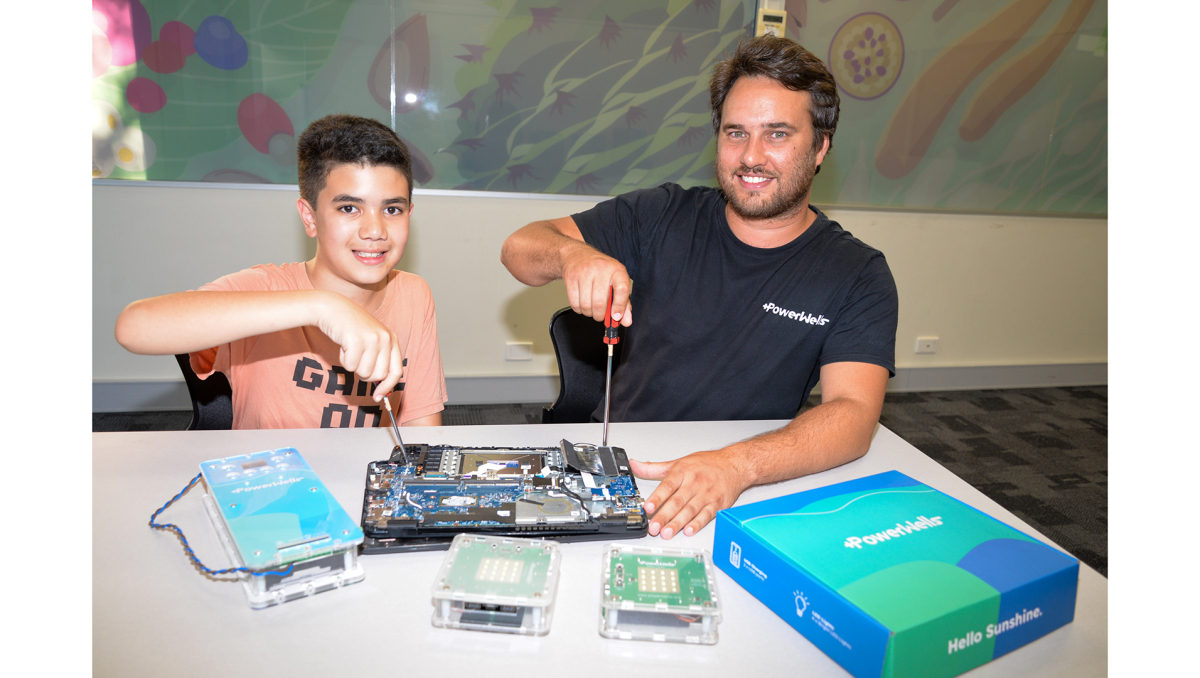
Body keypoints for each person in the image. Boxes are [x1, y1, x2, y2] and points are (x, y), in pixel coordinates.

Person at [500, 36, 898, 539]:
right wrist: (571, 253)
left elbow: (853, 415)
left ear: (820, 147)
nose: (751, 156)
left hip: (747, 476)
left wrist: (736, 466)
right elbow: (519, 247)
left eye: (777, 134)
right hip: (622, 465)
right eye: (735, 133)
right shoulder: (661, 214)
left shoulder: (857, 273)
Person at [116, 114, 447, 429]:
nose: (375, 230)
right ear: (310, 217)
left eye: (392, 209)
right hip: (274, 482)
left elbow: (421, 427)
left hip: (363, 480)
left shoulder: (413, 293)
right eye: (349, 208)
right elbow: (133, 326)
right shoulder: (267, 288)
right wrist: (323, 307)